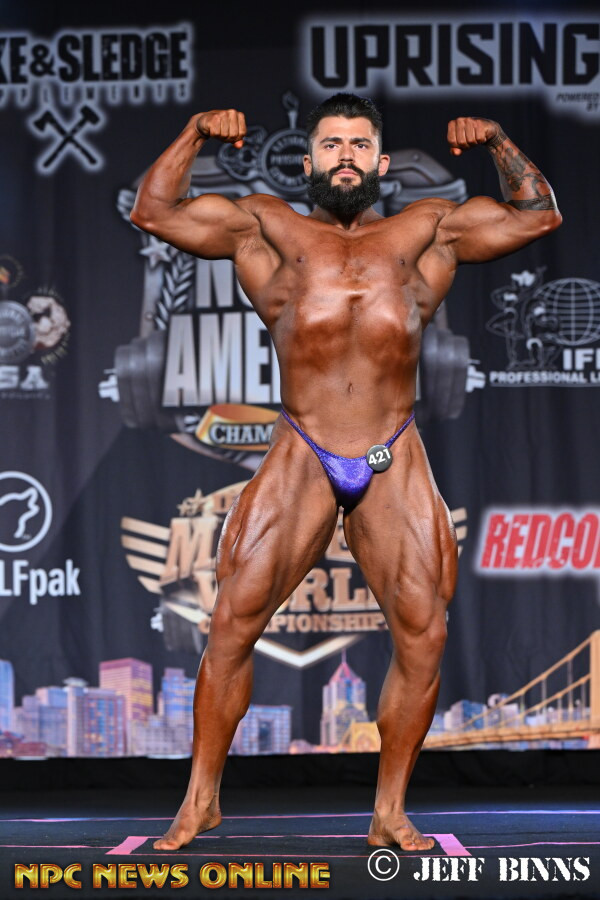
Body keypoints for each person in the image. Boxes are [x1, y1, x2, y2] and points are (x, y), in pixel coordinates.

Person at [131, 94, 561, 851]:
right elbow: (154, 212)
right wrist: (196, 133)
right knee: (232, 622)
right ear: (309, 160)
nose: (345, 157)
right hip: (304, 445)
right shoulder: (266, 227)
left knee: (424, 632)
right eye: (331, 144)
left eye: (360, 145)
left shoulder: (427, 230)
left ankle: (389, 811)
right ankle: (200, 800)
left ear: (381, 162)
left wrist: (497, 141)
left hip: (392, 448)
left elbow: (537, 216)